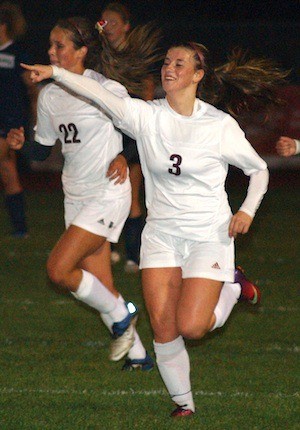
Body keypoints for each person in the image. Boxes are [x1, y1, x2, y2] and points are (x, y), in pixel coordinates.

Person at [18, 41, 288, 417]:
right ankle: (184, 404)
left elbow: (258, 170)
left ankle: (231, 288)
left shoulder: (218, 125)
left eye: (180, 64)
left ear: (197, 75)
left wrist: (246, 211)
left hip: (207, 233)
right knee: (164, 327)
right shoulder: (147, 116)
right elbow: (99, 93)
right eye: (166, 62)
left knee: (191, 327)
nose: (169, 68)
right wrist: (57, 74)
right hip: (161, 233)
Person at [7, 16, 153, 371]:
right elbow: (43, 150)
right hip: (74, 195)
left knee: (58, 270)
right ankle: (138, 357)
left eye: (60, 46)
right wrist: (23, 145)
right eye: (51, 45)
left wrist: (124, 155)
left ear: (82, 51)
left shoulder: (105, 89)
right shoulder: (49, 95)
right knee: (100, 283)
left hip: (108, 192)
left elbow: (142, 129)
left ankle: (122, 314)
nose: (51, 51)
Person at [101, 2, 155, 273]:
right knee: (106, 192)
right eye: (103, 21)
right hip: (105, 130)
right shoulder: (98, 57)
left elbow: (146, 88)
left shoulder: (135, 57)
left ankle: (133, 255)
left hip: (130, 131)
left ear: (125, 27)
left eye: (112, 21)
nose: (106, 26)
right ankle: (107, 249)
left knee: (133, 194)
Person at [0, 2, 37, 238]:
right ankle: (21, 228)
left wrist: (34, 114)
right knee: (7, 171)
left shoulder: (18, 53)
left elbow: (31, 87)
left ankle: (21, 227)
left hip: (10, 122)